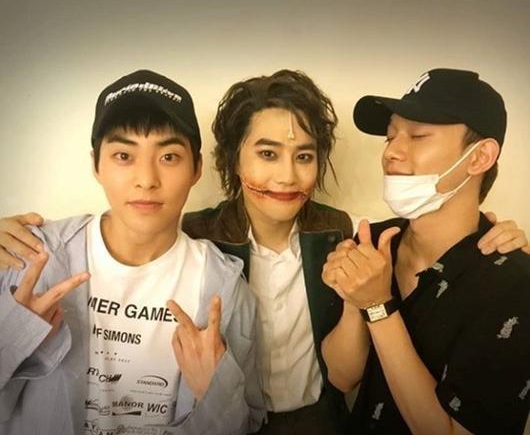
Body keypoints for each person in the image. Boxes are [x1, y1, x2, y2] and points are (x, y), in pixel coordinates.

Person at [0, 69, 528, 434]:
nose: (286, 176)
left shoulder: (342, 234)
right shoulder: (197, 238)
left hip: (318, 421)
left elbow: (347, 367)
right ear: (232, 161)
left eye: (305, 156)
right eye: (268, 154)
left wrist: (502, 237)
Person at [0, 69, 265, 435]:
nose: (146, 179)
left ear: (197, 168)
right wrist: (14, 335)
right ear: (96, 164)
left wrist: (215, 394)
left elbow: (248, 424)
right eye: (124, 155)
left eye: (169, 157)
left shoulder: (224, 287)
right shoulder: (31, 257)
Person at [322, 68, 530, 434]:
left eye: (418, 136)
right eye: (390, 137)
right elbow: (341, 377)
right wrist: (356, 297)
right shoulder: (376, 240)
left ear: (480, 157)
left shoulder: (514, 284)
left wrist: (378, 306)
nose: (391, 152)